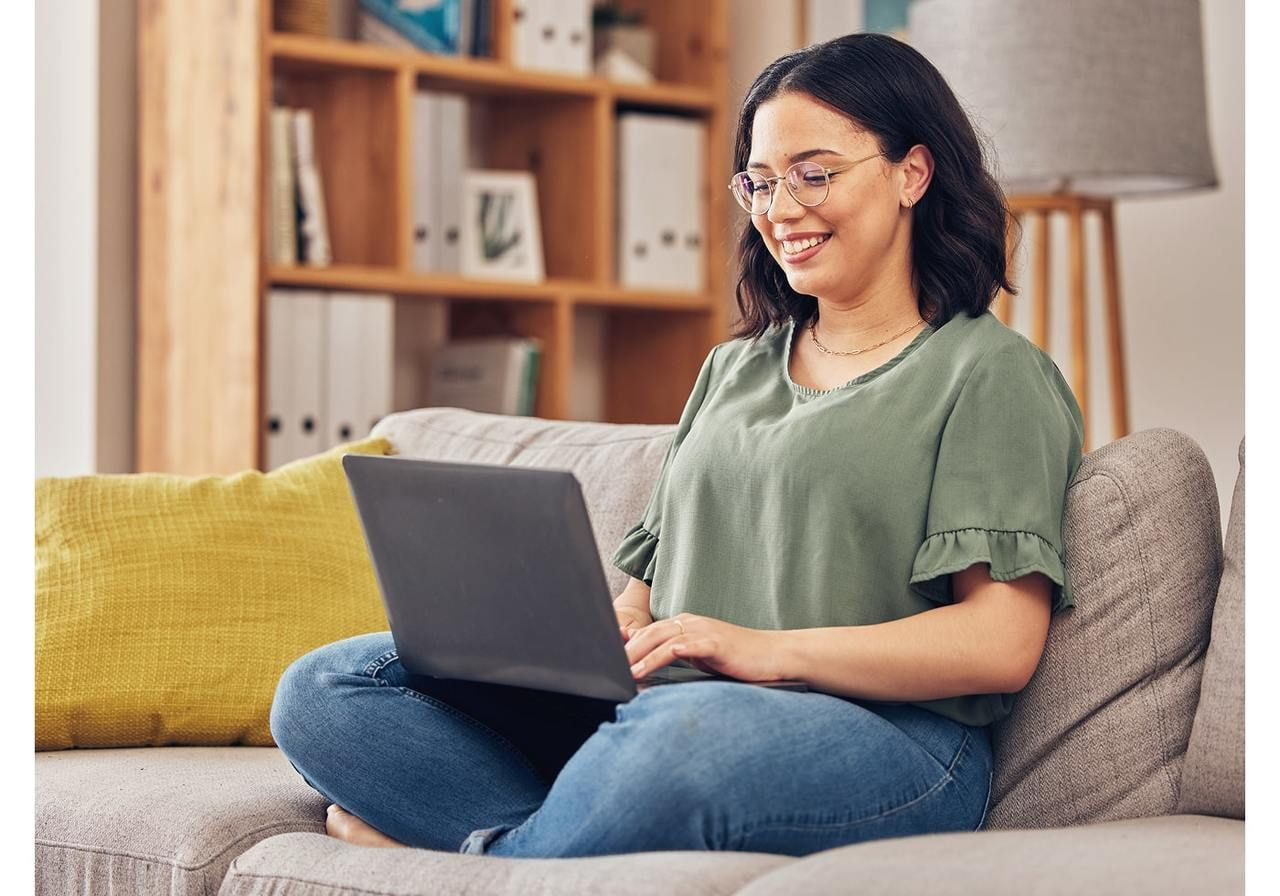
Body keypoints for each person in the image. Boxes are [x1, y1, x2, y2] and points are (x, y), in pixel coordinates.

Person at [269, 32, 1082, 859]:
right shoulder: (733, 369)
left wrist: (763, 653)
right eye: (760, 183)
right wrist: (592, 647)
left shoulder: (991, 374)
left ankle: (467, 863)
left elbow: (1000, 643)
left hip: (887, 739)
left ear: (913, 172)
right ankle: (539, 842)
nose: (780, 209)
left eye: (814, 173)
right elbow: (644, 594)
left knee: (682, 742)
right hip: (663, 705)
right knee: (326, 687)